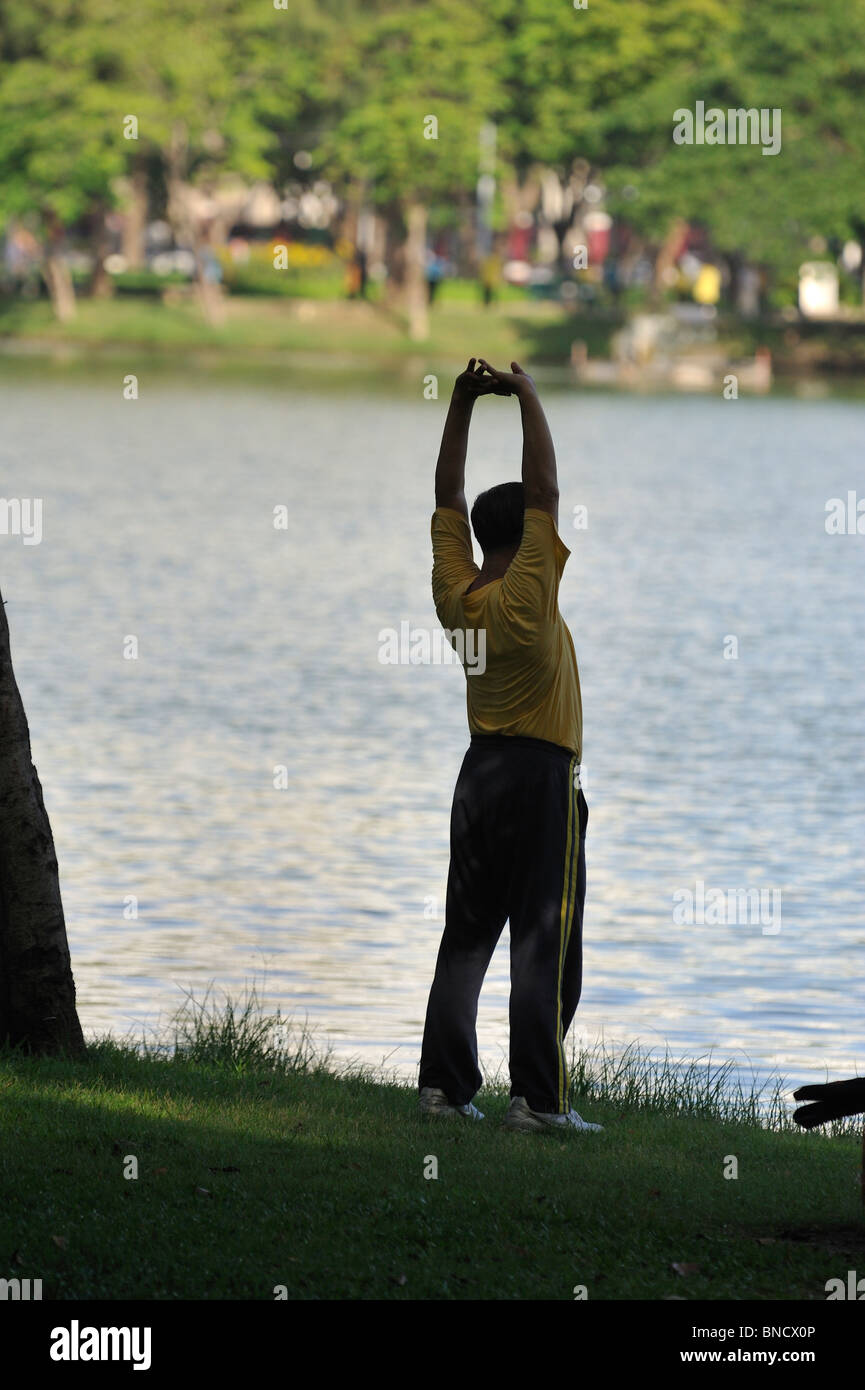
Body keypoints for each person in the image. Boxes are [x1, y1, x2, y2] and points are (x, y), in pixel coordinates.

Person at [418, 357, 602, 1134]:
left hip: (478, 777)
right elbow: (545, 493)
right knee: (542, 942)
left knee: (465, 935)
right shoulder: (530, 592)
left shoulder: (455, 595)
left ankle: (442, 1090)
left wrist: (461, 402)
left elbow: (445, 498)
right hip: (539, 778)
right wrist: (527, 394)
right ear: (527, 538)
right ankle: (538, 1103)